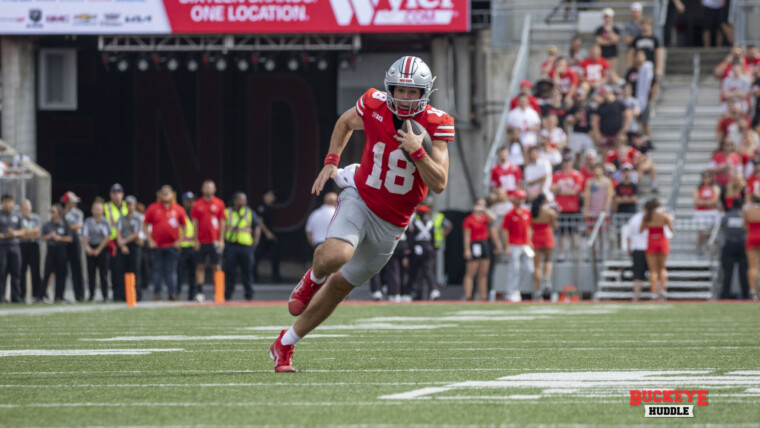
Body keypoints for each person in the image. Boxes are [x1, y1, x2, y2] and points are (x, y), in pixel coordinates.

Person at [271, 56, 454, 372]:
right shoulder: (373, 103)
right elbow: (344, 123)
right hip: (362, 195)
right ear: (390, 87)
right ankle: (312, 277)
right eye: (401, 90)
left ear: (425, 92)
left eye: (413, 92)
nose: (406, 98)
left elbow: (439, 183)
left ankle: (284, 344)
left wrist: (418, 150)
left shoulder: (438, 122)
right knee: (335, 256)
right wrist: (331, 160)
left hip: (393, 221)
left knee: (341, 288)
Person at [144, 185, 186, 301]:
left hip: (172, 246)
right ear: (159, 195)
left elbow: (185, 226)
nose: (165, 194)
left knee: (171, 271)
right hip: (157, 246)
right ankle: (157, 294)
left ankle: (173, 293)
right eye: (163, 192)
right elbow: (145, 225)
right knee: (157, 271)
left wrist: (180, 241)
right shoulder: (153, 208)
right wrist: (150, 240)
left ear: (173, 194)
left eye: (168, 192)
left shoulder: (178, 209)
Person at [407, 199, 449, 300]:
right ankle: (433, 290)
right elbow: (433, 238)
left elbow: (411, 238)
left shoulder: (415, 223)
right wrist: (433, 248)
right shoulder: (431, 223)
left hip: (418, 249)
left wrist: (410, 249)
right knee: (429, 271)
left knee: (413, 272)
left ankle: (409, 292)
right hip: (429, 249)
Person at [223, 192, 260, 300]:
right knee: (230, 271)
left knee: (247, 271)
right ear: (234, 200)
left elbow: (256, 227)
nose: (243, 202)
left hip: (246, 246)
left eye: (244, 200)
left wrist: (255, 241)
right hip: (231, 245)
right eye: (240, 199)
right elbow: (222, 226)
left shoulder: (249, 212)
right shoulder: (227, 212)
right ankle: (228, 294)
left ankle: (249, 294)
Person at [191, 180, 226, 293]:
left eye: (210, 187)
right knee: (200, 266)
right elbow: (195, 223)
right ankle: (200, 292)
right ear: (202, 189)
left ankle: (219, 292)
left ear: (215, 189)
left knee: (216, 266)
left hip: (215, 241)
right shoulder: (197, 204)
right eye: (206, 187)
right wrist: (195, 240)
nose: (208, 190)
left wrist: (221, 240)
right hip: (201, 241)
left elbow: (222, 222)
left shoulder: (219, 203)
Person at [501, 190, 532, 303]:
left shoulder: (526, 212)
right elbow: (505, 231)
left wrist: (529, 241)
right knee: (514, 269)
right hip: (514, 244)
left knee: (528, 269)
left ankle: (516, 289)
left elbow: (528, 227)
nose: (521, 200)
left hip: (525, 244)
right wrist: (507, 246)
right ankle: (511, 292)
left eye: (522, 198)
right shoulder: (509, 214)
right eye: (519, 198)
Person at [551, 154, 583, 262]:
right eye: (565, 161)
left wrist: (560, 191)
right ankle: (562, 253)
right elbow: (551, 188)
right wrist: (563, 184)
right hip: (560, 207)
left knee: (573, 232)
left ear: (572, 162)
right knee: (561, 232)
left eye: (569, 161)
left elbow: (575, 191)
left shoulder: (576, 175)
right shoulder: (557, 174)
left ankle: (575, 253)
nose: (566, 163)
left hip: (572, 208)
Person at [640, 199, 673, 300]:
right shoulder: (664, 215)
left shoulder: (647, 216)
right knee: (662, 268)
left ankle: (653, 292)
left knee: (653, 270)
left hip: (651, 240)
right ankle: (663, 290)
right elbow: (672, 229)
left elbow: (640, 230)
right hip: (662, 241)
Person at [462, 198, 494, 301]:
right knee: (471, 272)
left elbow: (493, 218)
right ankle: (468, 295)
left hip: (484, 243)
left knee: (483, 273)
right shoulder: (469, 219)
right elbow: (466, 236)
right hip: (474, 244)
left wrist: (485, 210)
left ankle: (483, 296)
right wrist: (467, 249)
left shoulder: (485, 217)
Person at [41, 204, 73, 302]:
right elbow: (42, 237)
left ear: (59, 213)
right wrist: (50, 236)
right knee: (47, 273)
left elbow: (70, 238)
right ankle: (42, 295)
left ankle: (59, 296)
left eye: (53, 212)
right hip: (51, 249)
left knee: (61, 273)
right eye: (51, 211)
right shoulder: (47, 225)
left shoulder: (65, 224)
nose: (51, 214)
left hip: (61, 250)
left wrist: (59, 238)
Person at [720, 197, 749, 299]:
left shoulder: (726, 216)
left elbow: (723, 228)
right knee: (744, 272)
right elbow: (747, 228)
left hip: (729, 244)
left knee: (728, 272)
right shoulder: (744, 216)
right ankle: (746, 294)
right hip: (742, 245)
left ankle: (725, 295)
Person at [530, 193, 557, 301]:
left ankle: (537, 289)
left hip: (535, 236)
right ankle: (547, 278)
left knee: (537, 265)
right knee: (548, 260)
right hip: (547, 235)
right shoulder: (550, 212)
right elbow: (555, 227)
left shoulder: (532, 212)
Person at [83, 199, 111, 302]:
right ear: (92, 210)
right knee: (91, 273)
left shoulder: (105, 221)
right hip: (91, 247)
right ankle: (91, 294)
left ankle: (105, 295)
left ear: (102, 211)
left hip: (102, 249)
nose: (97, 211)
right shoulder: (88, 221)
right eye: (95, 209)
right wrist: (88, 249)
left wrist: (98, 250)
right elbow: (85, 236)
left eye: (99, 209)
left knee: (103, 273)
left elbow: (107, 237)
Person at [117, 195, 144, 301]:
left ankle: (136, 295)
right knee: (123, 270)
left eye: (131, 204)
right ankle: (124, 295)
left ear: (134, 205)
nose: (129, 206)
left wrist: (124, 241)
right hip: (124, 246)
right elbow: (118, 232)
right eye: (127, 204)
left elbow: (136, 234)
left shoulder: (138, 217)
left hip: (134, 246)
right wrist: (122, 245)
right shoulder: (122, 217)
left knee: (135, 270)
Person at [104, 183, 128, 301]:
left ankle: (127, 294)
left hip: (127, 241)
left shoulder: (127, 205)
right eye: (114, 192)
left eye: (119, 192)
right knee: (115, 270)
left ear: (122, 194)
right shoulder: (106, 207)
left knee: (128, 269)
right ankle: (117, 295)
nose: (116, 195)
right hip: (112, 242)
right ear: (110, 194)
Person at [0, 194, 23, 303]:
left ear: (13, 204)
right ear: (1, 203)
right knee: (2, 272)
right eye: (5, 202)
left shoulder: (17, 215)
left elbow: (22, 231)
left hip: (14, 246)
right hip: (2, 246)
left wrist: (13, 233)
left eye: (10, 202)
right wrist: (4, 236)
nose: (8, 204)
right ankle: (1, 297)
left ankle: (16, 297)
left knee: (16, 273)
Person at [62, 191, 85, 301]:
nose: (75, 203)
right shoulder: (60, 212)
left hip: (74, 239)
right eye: (72, 201)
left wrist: (67, 227)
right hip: (62, 240)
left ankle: (79, 295)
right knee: (62, 268)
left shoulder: (78, 213)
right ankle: (60, 295)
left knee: (77, 267)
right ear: (67, 202)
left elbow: (79, 225)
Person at [627, 49, 655, 138]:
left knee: (645, 122)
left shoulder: (647, 69)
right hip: (633, 100)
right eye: (637, 56)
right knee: (634, 123)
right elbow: (627, 84)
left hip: (644, 100)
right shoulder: (631, 71)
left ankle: (648, 140)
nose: (639, 58)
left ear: (645, 57)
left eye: (641, 55)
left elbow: (653, 85)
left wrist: (651, 99)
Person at [255, 190, 282, 283]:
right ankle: (254, 277)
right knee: (257, 255)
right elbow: (259, 220)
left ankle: (276, 277)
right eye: (269, 196)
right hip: (263, 236)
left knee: (276, 255)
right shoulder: (262, 207)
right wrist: (267, 233)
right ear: (265, 197)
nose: (271, 198)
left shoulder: (270, 207)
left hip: (270, 235)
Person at [694, 171, 723, 256]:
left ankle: (708, 246)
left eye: (707, 177)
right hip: (701, 212)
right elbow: (696, 200)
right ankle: (699, 247)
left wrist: (703, 202)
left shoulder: (715, 188)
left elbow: (715, 200)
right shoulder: (698, 188)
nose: (706, 179)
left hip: (712, 212)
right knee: (701, 231)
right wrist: (708, 203)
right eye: (704, 177)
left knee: (710, 231)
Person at [18, 200, 42, 302]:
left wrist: (25, 233)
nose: (26, 210)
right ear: (21, 209)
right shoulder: (18, 218)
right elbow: (19, 233)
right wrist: (27, 233)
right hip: (21, 246)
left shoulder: (36, 218)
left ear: (31, 208)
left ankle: (37, 294)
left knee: (35, 270)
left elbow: (37, 232)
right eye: (24, 208)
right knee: (21, 271)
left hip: (33, 246)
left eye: (27, 208)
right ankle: (21, 295)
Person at [178, 192, 199, 301]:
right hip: (182, 247)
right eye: (188, 200)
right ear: (184, 201)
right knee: (179, 272)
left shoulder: (197, 213)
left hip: (194, 246)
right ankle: (176, 293)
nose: (191, 203)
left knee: (193, 272)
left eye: (193, 200)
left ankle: (192, 294)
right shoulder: (179, 212)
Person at [625, 210, 649, 302]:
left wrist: (629, 248)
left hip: (638, 248)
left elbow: (629, 235)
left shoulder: (635, 218)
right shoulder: (655, 216)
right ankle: (657, 296)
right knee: (655, 273)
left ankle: (636, 296)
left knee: (638, 274)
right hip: (650, 248)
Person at [743, 194, 760, 301]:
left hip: (752, 237)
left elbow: (744, 226)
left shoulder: (748, 210)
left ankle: (753, 291)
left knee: (752, 267)